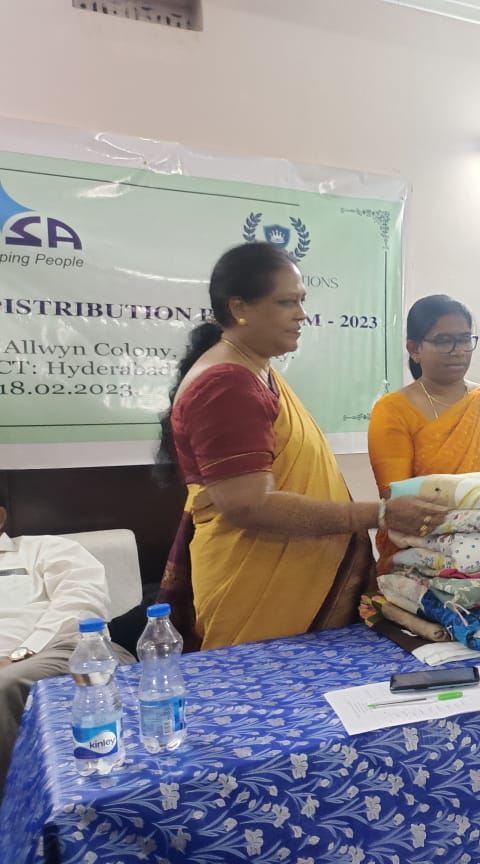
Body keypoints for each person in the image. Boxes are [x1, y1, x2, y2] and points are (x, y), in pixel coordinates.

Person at [155, 243, 442, 651]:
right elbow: (250, 505)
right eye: (286, 302)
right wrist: (380, 513)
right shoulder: (226, 385)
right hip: (256, 586)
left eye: (302, 300)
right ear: (239, 307)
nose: (302, 315)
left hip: (287, 577)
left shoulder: (254, 370)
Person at [367, 294, 480, 570]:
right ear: (414, 348)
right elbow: (398, 501)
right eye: (443, 340)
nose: (458, 350)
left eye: (465, 339)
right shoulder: (393, 410)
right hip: (422, 553)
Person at [0, 490, 131, 801]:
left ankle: (19, 813)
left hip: (62, 650)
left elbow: (81, 603)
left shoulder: (43, 550)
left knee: (4, 684)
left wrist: (21, 653)